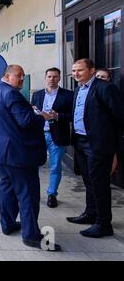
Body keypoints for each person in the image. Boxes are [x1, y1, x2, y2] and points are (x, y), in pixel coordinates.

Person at [0, 64, 60, 251]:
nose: (21, 79)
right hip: (18, 154)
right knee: (28, 193)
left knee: (8, 189)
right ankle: (31, 236)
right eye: (18, 76)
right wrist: (42, 116)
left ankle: (8, 224)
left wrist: (29, 111)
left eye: (23, 76)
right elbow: (26, 121)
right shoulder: (11, 94)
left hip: (3, 152)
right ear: (7, 76)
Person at [66, 59, 124, 238]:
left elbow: (119, 116)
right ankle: (91, 214)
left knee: (99, 184)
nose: (75, 74)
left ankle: (104, 223)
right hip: (81, 142)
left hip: (98, 144)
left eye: (80, 70)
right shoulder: (78, 89)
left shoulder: (105, 88)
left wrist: (114, 145)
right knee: (88, 181)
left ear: (92, 70)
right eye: (74, 71)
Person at [31, 67, 74, 208]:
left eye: (55, 77)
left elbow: (73, 115)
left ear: (59, 78)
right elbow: (33, 113)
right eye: (49, 76)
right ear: (45, 78)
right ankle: (33, 193)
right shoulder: (37, 95)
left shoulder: (68, 95)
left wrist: (58, 116)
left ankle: (52, 194)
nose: (52, 79)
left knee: (55, 167)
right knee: (34, 165)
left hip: (57, 135)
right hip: (39, 135)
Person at [94, 68, 119, 176]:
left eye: (103, 77)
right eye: (98, 76)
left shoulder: (110, 89)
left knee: (111, 155)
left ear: (108, 79)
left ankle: (108, 176)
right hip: (95, 131)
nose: (100, 79)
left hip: (108, 130)